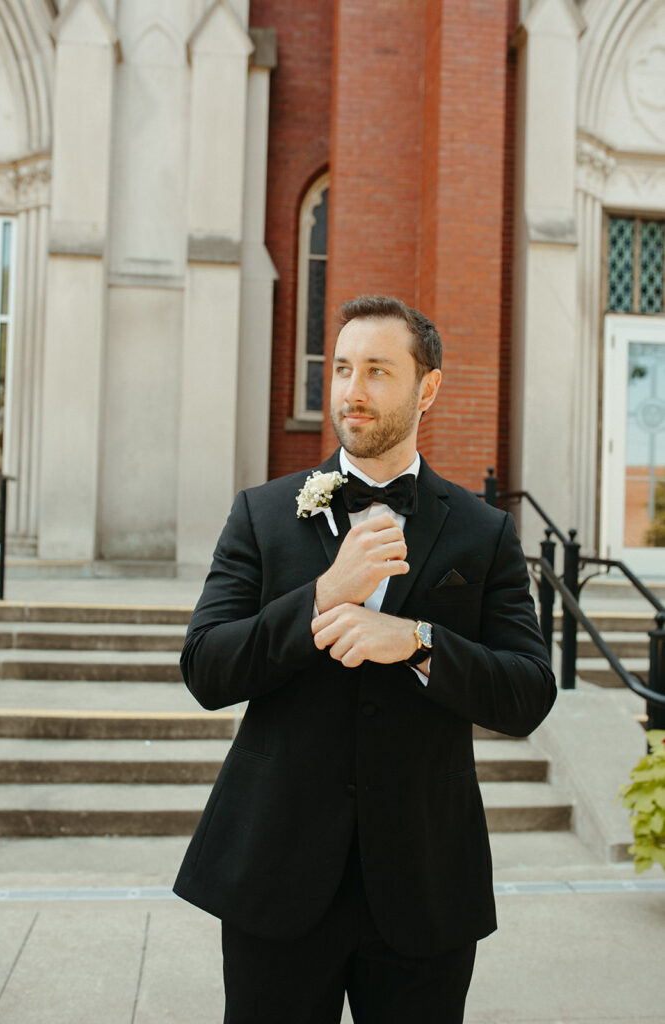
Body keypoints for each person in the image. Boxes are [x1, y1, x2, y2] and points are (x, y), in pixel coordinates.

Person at [174, 295, 556, 1023]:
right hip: (275, 871)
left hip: (423, 881)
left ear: (428, 387)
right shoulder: (260, 513)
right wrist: (320, 597)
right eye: (342, 368)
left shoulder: (485, 533)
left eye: (377, 371)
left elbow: (527, 693)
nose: (352, 390)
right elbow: (207, 668)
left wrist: (417, 642)